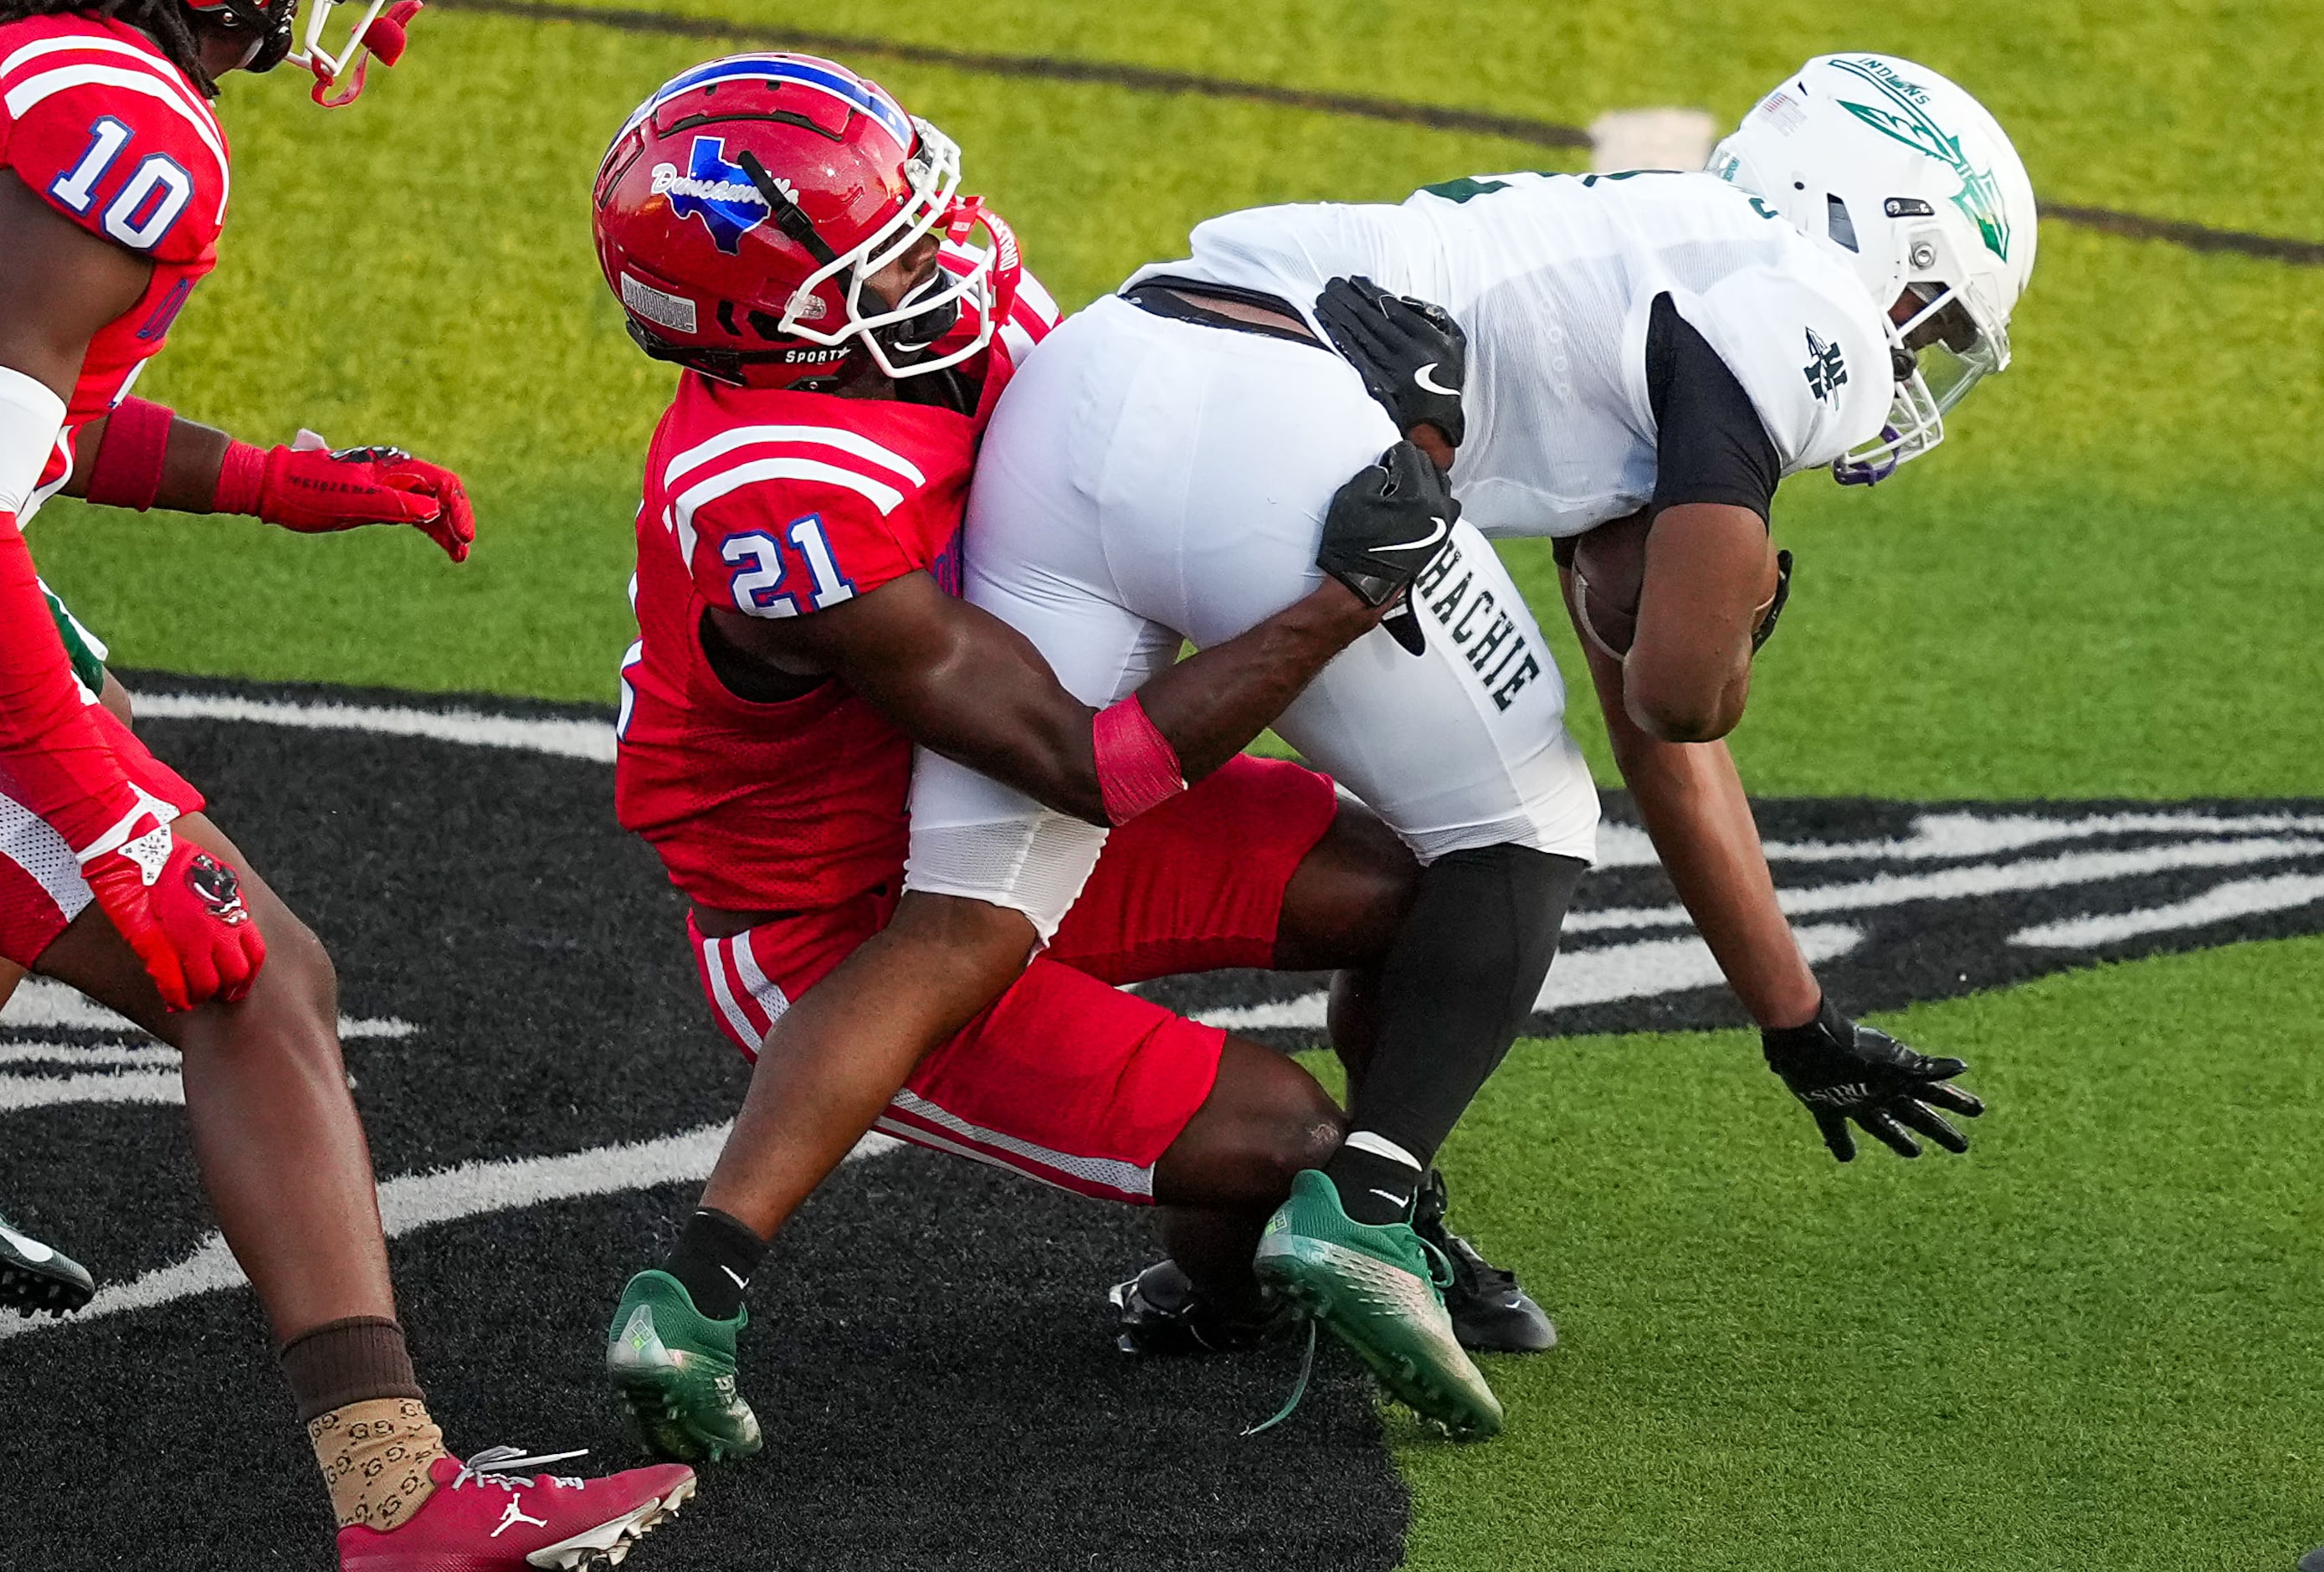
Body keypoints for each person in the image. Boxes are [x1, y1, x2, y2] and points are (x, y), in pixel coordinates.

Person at [718, 52, 2024, 1431]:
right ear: (1873, 222)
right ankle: (1369, 1200)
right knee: (1518, 826)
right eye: (1927, 306)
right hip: (1278, 424)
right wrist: (1743, 613)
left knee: (974, 908)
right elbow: (1685, 699)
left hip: (1088, 386)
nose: (1912, 349)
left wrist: (1795, 1018)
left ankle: (697, 1284)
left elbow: (1661, 743)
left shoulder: (1633, 259)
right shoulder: (1798, 301)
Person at [584, 53, 1493, 1459]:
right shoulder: (778, 492)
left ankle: (1375, 1205)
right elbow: (1094, 765)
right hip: (835, 912)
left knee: (1408, 886)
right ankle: (1216, 1287)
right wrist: (1337, 598)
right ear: (766, 334)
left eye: (920, 224)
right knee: (1279, 1139)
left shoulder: (947, 320)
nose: (945, 268)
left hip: (1004, 812)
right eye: (884, 270)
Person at [0, 2, 698, 1564]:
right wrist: (112, 821)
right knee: (258, 975)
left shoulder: (49, 64)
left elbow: (32, 414)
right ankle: (400, 1498)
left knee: (88, 689)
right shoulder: (118, 119)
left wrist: (264, 481)